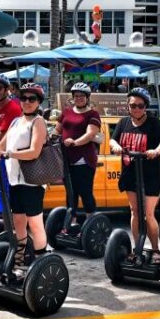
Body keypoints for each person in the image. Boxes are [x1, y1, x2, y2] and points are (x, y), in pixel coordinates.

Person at [0, 83, 50, 272]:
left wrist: (9, 154)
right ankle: (19, 263)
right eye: (24, 98)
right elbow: (0, 146)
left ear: (38, 102)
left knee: (35, 223)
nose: (27, 102)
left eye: (32, 99)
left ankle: (41, 263)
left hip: (32, 181)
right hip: (14, 180)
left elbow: (34, 152)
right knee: (18, 221)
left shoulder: (38, 122)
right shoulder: (15, 122)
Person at [109, 88, 160, 265]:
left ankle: (155, 249)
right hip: (130, 173)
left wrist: (157, 151)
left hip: (151, 174)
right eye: (133, 105)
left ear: (145, 106)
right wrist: (115, 146)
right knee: (134, 211)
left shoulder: (154, 123)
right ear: (128, 106)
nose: (136, 109)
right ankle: (137, 247)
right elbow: (113, 139)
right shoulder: (123, 122)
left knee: (148, 213)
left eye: (140, 105)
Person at [55, 82, 101, 231]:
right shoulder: (67, 112)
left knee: (85, 191)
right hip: (66, 158)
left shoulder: (92, 114)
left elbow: (91, 133)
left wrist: (75, 142)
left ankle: (91, 224)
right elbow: (57, 130)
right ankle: (71, 222)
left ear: (87, 98)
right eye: (76, 96)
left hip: (84, 159)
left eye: (82, 96)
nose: (79, 98)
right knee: (70, 192)